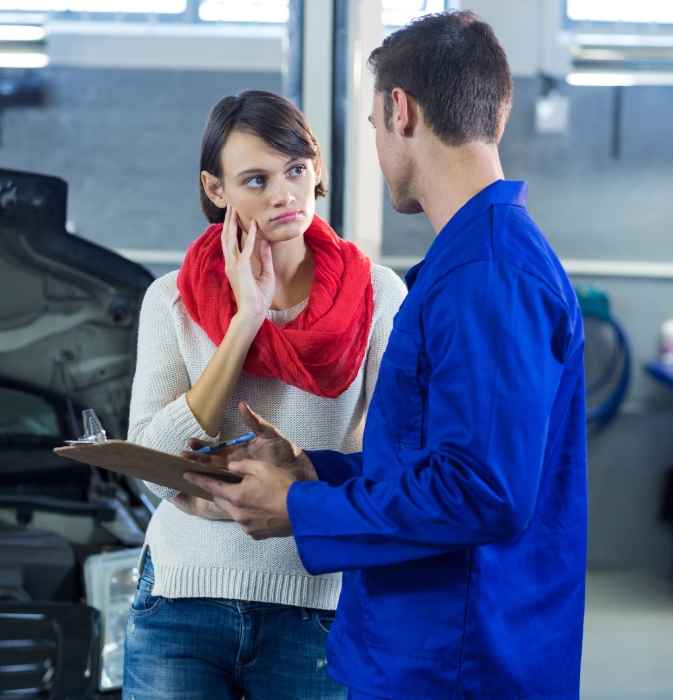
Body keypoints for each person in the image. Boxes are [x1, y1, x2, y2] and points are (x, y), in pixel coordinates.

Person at [185, 12, 588, 700]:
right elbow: (434, 461)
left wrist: (301, 509)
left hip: (458, 664)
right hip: (432, 651)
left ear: (400, 110)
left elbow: (481, 490)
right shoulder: (466, 263)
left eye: (372, 125)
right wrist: (314, 470)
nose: (375, 142)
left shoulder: (486, 275)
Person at [123, 89, 407, 699]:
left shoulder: (378, 297)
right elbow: (151, 464)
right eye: (255, 179)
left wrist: (303, 483)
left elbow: (393, 467)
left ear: (317, 171)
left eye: (297, 170)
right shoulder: (171, 299)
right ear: (216, 188)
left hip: (314, 609)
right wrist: (244, 320)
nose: (284, 194)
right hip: (182, 600)